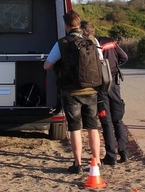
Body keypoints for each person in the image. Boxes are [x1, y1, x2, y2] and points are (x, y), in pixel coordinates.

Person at [43, 10, 103, 173]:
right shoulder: (92, 40)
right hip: (91, 90)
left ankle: (77, 164)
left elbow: (47, 65)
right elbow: (100, 61)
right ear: (79, 24)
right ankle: (96, 161)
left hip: (71, 92)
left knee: (75, 128)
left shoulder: (62, 43)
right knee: (92, 127)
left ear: (67, 25)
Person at [81, 21, 129, 165]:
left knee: (106, 121)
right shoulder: (110, 41)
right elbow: (124, 57)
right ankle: (124, 152)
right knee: (118, 119)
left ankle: (111, 156)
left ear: (84, 32)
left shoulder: (89, 45)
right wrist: (113, 68)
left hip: (100, 86)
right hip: (114, 84)